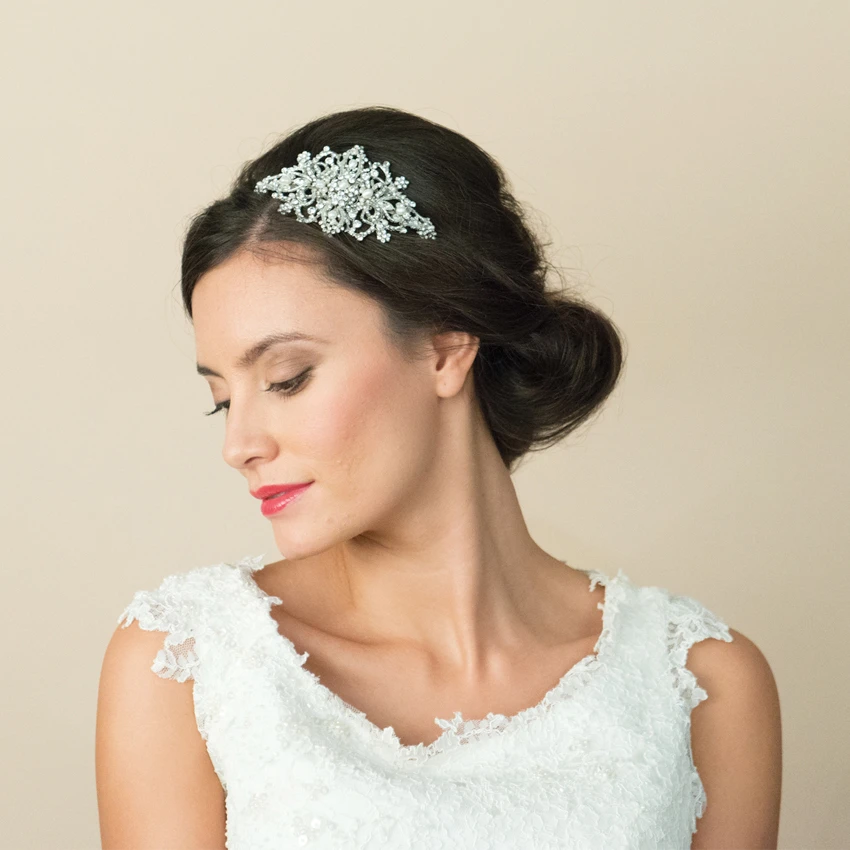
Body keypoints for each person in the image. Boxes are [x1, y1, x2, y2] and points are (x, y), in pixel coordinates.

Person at [95, 105, 781, 849]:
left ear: (446, 349)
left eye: (287, 378)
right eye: (222, 401)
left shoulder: (696, 683)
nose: (239, 445)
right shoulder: (190, 663)